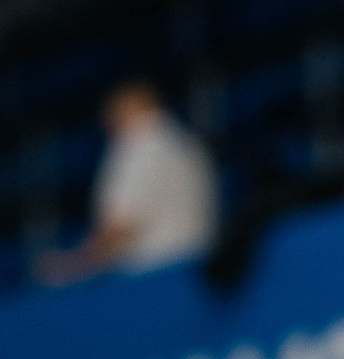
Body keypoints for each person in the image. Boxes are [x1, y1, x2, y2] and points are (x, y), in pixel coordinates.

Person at [37, 79, 217, 284]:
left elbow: (121, 228)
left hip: (151, 281)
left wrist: (71, 266)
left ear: (128, 106)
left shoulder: (139, 146)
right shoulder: (186, 144)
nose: (105, 121)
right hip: (196, 274)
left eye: (110, 111)